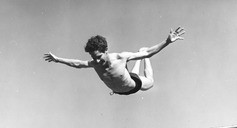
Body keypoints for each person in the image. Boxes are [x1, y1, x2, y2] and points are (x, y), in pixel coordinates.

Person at [44, 27, 185, 96]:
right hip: (121, 89)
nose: (97, 60)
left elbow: (149, 52)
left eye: (99, 56)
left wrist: (167, 42)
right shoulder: (95, 64)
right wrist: (58, 60)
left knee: (150, 82)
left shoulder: (120, 57)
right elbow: (76, 63)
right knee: (129, 73)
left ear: (106, 50)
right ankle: (138, 60)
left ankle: (143, 60)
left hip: (134, 85)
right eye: (93, 57)